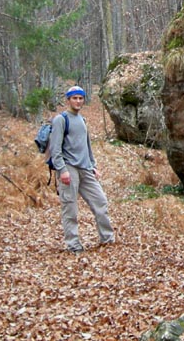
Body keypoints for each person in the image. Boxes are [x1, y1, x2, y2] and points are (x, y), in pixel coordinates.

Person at [49, 85, 115, 253]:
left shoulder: (82, 120)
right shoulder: (61, 120)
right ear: (68, 100)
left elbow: (87, 146)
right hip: (69, 168)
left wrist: (93, 166)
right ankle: (73, 245)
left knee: (101, 202)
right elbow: (55, 149)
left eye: (80, 98)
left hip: (85, 168)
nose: (78, 101)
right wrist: (62, 170)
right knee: (70, 208)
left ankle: (107, 238)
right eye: (74, 98)